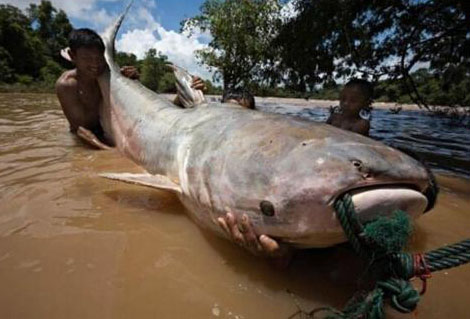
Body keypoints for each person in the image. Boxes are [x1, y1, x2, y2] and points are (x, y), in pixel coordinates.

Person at [56, 28, 139, 150]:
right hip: (84, 139)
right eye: (87, 59)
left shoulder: (105, 73)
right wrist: (108, 151)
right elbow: (80, 130)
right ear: (72, 56)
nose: (95, 64)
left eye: (99, 58)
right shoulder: (67, 85)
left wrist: (131, 77)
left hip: (105, 130)